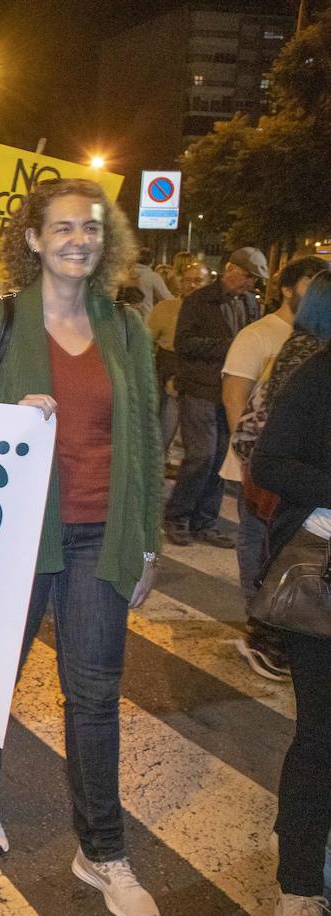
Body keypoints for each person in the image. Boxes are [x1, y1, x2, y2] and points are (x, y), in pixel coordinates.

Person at [0, 178, 162, 915]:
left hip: (100, 535)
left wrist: (148, 544)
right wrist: (10, 418)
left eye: (93, 228)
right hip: (16, 536)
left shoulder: (128, 328)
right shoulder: (0, 322)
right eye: (63, 227)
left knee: (96, 695)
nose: (80, 239)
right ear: (34, 240)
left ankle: (102, 850)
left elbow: (148, 436)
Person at [250, 344, 331, 916]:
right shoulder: (322, 373)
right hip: (322, 581)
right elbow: (270, 462)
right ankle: (299, 882)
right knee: (323, 733)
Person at [218, 257, 328, 652]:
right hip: (271, 466)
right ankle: (264, 625)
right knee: (260, 544)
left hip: (280, 469)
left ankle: (269, 625)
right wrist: (246, 457)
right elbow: (238, 398)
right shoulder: (284, 346)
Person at [165, 246, 268, 547]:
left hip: (233, 391)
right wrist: (231, 346)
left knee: (224, 458)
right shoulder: (198, 301)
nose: (252, 284)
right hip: (200, 389)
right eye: (249, 276)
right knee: (201, 456)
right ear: (231, 269)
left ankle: (204, 521)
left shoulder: (250, 303)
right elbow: (184, 344)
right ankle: (178, 516)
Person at [147, 260, 210, 463]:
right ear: (180, 283)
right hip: (170, 370)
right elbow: (147, 341)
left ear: (208, 283)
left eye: (198, 281)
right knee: (167, 423)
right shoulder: (166, 308)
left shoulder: (215, 312)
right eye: (188, 280)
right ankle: (158, 463)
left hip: (203, 375)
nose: (192, 285)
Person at [128, 246, 172, 314]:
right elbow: (167, 299)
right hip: (146, 318)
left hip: (126, 318)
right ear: (152, 261)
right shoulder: (152, 276)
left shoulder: (125, 275)